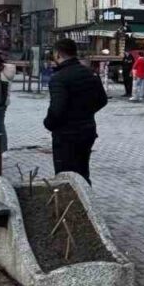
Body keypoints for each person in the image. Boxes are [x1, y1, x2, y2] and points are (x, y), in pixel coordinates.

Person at [43, 37, 107, 183]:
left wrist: (49, 123)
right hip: (87, 130)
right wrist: (85, 112)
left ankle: (72, 197)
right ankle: (86, 195)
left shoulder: (59, 78)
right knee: (83, 171)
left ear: (58, 54)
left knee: (65, 176)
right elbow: (102, 100)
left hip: (66, 134)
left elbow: (57, 109)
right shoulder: (90, 73)